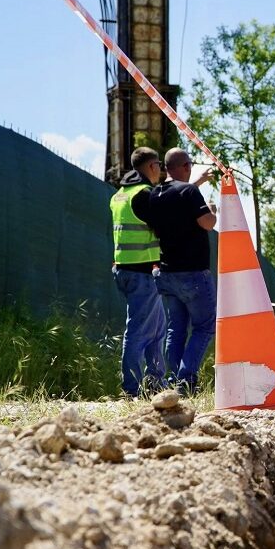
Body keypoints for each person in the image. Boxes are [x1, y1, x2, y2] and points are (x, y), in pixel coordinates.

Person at [132, 147, 218, 395]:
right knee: (204, 327)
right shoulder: (189, 191)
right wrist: (212, 210)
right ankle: (186, 378)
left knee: (176, 329)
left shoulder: (155, 194)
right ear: (186, 167)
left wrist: (198, 183)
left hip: (166, 273)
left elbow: (177, 206)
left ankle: (175, 382)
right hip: (193, 273)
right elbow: (207, 223)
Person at [110, 147, 166, 397]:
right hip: (142, 272)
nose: (161, 171)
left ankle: (155, 385)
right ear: (152, 167)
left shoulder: (119, 195)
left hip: (124, 270)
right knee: (138, 332)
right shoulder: (143, 195)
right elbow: (163, 226)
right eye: (159, 165)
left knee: (156, 329)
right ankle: (131, 389)